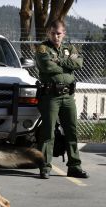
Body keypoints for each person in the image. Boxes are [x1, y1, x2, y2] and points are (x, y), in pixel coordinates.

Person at [35, 20, 89, 179]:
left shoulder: (70, 48)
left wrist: (59, 61)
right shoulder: (42, 48)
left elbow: (79, 63)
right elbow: (47, 67)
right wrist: (67, 64)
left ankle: (74, 166)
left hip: (68, 96)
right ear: (48, 33)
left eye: (59, 33)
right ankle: (45, 166)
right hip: (51, 96)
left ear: (64, 34)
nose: (56, 36)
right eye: (53, 33)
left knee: (72, 131)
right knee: (48, 133)